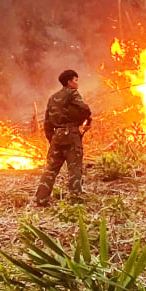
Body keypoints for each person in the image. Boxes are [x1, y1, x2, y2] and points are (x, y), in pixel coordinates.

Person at [33, 69, 92, 206]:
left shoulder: (52, 98)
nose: (77, 83)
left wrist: (53, 139)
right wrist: (86, 121)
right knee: (74, 169)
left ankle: (41, 199)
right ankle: (75, 200)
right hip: (72, 135)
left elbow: (47, 123)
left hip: (56, 137)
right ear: (69, 82)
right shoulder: (73, 93)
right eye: (75, 80)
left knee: (50, 169)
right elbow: (85, 109)